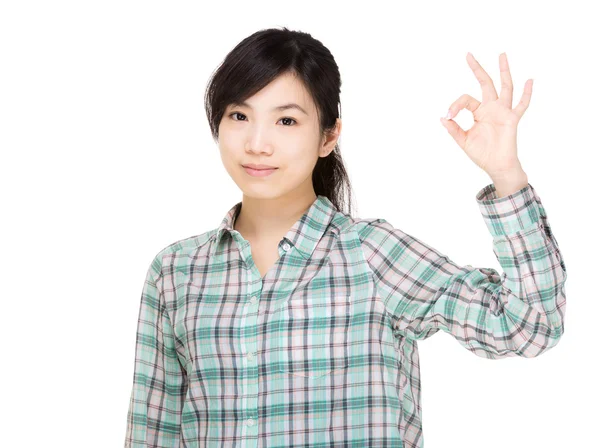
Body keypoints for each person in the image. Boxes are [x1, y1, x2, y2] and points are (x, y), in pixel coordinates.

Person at [124, 27, 567, 447]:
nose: (257, 143)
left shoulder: (371, 255)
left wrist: (506, 175)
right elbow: (153, 433)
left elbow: (529, 325)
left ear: (328, 135)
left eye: (286, 121)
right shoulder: (177, 272)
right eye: (239, 115)